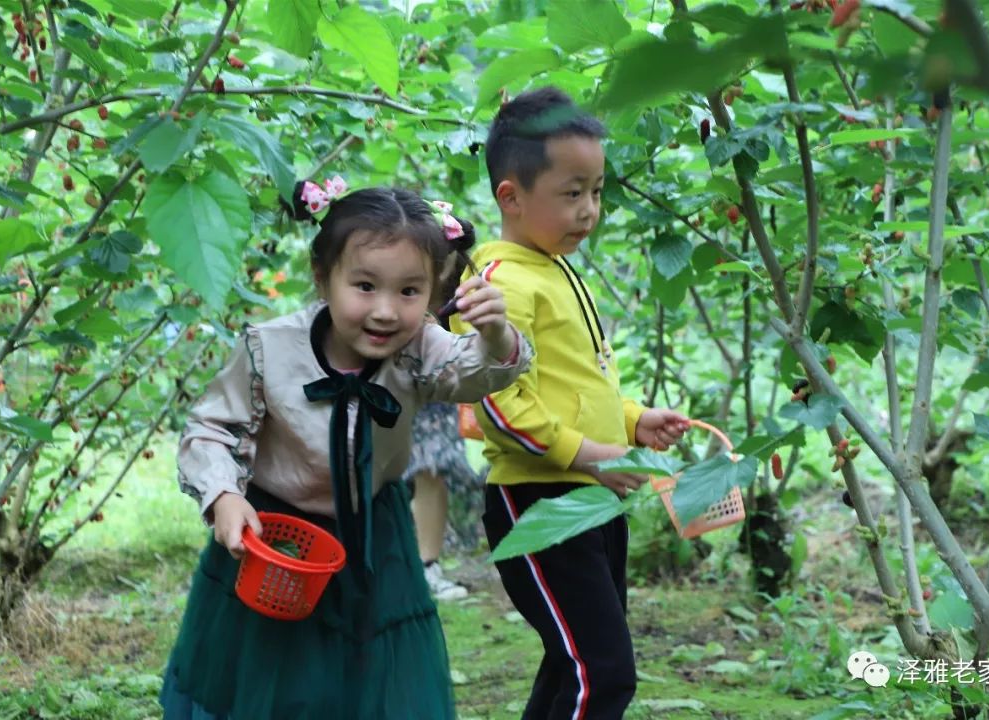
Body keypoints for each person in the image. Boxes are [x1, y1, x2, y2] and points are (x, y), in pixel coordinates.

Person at [159, 182, 533, 720]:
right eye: (364, 285)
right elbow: (212, 428)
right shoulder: (270, 348)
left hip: (374, 539)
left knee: (372, 666)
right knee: (273, 668)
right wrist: (223, 496)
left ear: (433, 292)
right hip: (272, 537)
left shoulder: (419, 349)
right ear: (322, 277)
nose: (385, 311)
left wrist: (496, 336)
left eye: (409, 291)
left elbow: (475, 374)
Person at [449, 87, 692, 719]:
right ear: (511, 197)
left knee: (574, 664)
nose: (589, 211)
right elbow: (497, 402)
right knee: (602, 674)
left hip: (590, 492)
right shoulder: (497, 287)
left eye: (597, 191)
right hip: (538, 498)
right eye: (572, 193)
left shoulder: (554, 267)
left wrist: (634, 423)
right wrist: (588, 456)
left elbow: (578, 382)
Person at [404, 245, 486, 602]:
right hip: (394, 388)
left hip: (436, 396)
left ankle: (427, 566)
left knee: (432, 471)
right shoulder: (399, 280)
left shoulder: (462, 290)